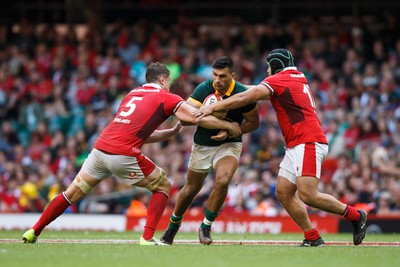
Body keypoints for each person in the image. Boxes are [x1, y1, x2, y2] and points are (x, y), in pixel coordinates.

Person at [22, 62, 241, 246]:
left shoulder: (132, 94)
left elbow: (137, 132)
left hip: (100, 150)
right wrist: (230, 127)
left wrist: (171, 132)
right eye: (169, 81)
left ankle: (33, 231)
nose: (170, 84)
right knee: (163, 185)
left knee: (71, 194)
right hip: (122, 154)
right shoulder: (167, 96)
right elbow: (197, 117)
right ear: (164, 79)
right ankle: (147, 238)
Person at [195, 49, 367, 246]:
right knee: (283, 192)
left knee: (308, 194)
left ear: (276, 66)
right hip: (297, 144)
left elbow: (247, 97)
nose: (267, 71)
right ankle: (312, 236)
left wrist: (212, 107)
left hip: (307, 142)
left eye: (269, 67)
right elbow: (252, 90)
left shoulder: (281, 79)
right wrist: (230, 88)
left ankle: (356, 216)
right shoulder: (295, 77)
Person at [161, 56, 259, 245]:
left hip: (229, 144)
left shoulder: (243, 94)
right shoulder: (204, 88)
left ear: (232, 75)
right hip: (203, 144)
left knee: (222, 181)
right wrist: (228, 125)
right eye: (214, 75)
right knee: (191, 189)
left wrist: (234, 131)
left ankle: (206, 226)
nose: (217, 80)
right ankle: (173, 226)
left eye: (222, 76)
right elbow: (184, 118)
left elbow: (254, 123)